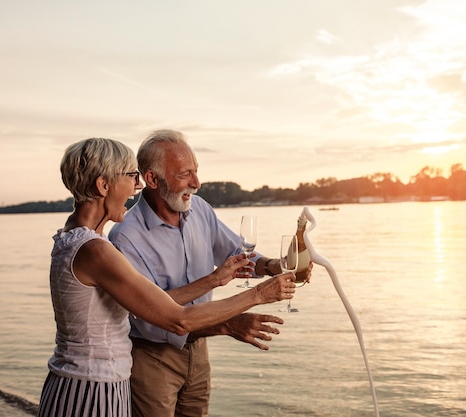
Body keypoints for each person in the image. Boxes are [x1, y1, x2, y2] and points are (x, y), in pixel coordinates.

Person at [37, 137, 296, 417]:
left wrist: (217, 279)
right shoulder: (96, 250)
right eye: (130, 176)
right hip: (91, 391)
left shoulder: (75, 240)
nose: (136, 186)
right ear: (103, 185)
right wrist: (259, 295)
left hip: (83, 382)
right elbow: (177, 319)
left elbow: (153, 300)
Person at [108, 129, 310, 417]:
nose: (197, 183)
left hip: (199, 352)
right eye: (184, 174)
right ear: (152, 179)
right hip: (151, 359)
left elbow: (237, 257)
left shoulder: (199, 209)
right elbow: (153, 321)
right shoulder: (126, 237)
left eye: (196, 171)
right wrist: (227, 325)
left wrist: (278, 265)